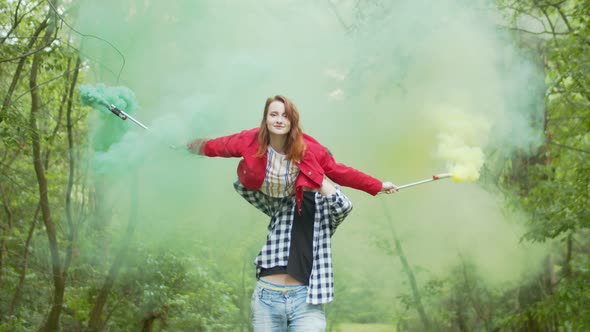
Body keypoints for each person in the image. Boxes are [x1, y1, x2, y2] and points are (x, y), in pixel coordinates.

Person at [187, 95, 398, 331]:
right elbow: (220, 147)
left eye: (285, 115)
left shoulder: (324, 209)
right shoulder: (279, 203)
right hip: (268, 294)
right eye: (273, 114)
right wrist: (189, 147)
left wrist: (377, 185)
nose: (279, 120)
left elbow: (342, 184)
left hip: (306, 298)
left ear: (293, 121)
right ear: (265, 119)